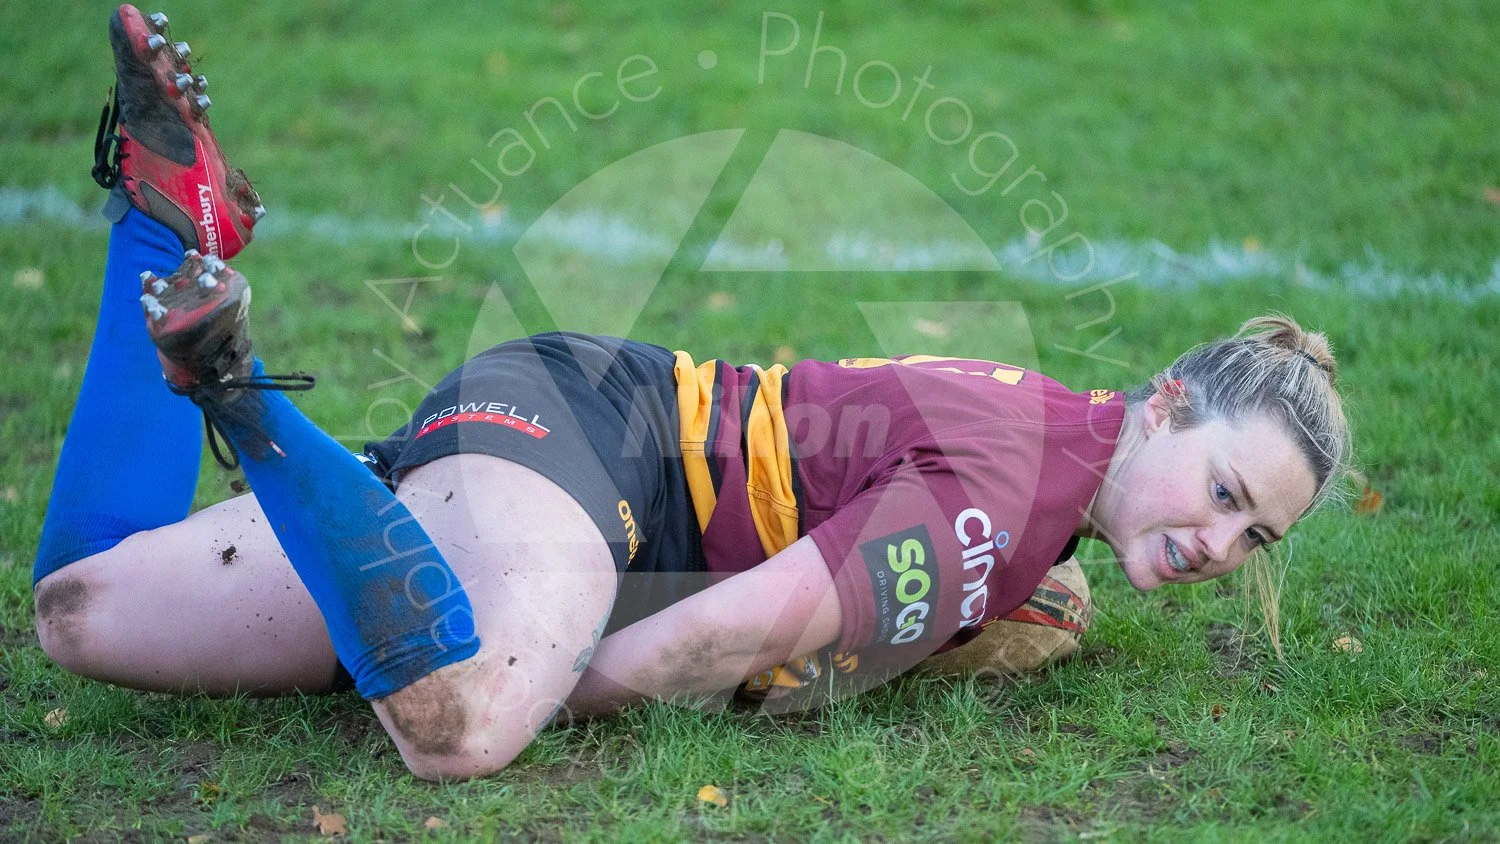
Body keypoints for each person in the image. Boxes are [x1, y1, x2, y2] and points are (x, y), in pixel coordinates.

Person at [31, 6, 1354, 782]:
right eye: (1230, 494)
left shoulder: (1052, 453)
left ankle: (167, 225)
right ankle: (243, 394)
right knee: (468, 723)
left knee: (82, 612)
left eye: (1257, 539)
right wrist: (551, 670)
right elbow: (734, 637)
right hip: (595, 458)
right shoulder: (1013, 503)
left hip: (560, 430)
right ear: (1172, 401)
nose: (1220, 545)